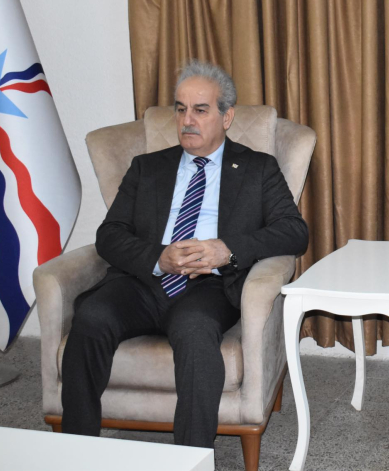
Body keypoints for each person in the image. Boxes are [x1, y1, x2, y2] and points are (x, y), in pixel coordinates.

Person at [60, 60, 309, 448]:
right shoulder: (147, 168)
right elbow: (109, 235)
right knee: (91, 316)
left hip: (209, 287)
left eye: (200, 110)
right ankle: (76, 450)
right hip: (143, 281)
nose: (187, 120)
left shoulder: (258, 168)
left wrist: (227, 250)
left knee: (195, 331)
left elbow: (294, 232)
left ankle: (192, 458)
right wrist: (158, 257)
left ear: (226, 117)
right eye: (181, 109)